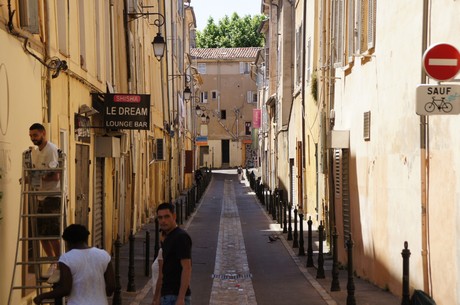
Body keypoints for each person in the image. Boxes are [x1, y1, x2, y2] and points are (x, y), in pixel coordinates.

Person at [33, 224, 115, 305]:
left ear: (69, 242)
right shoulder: (104, 255)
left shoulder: (66, 259)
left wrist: (42, 296)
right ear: (86, 239)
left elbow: (65, 289)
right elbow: (111, 286)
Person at [28, 123, 61, 277]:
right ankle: (53, 262)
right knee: (41, 234)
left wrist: (38, 177)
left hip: (53, 196)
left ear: (43, 133)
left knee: (52, 233)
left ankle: (60, 263)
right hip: (41, 196)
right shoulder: (35, 153)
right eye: (31, 136)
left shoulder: (52, 150)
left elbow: (55, 176)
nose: (33, 138)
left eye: (35, 135)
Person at [156, 203, 192, 305]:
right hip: (166, 295)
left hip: (175, 296)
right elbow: (164, 271)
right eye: (160, 217)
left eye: (167, 216)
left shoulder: (181, 237)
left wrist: (181, 298)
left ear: (174, 216)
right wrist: (158, 297)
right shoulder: (167, 238)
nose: (163, 220)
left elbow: (187, 268)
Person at [151, 231, 165, 305]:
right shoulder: (164, 251)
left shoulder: (162, 251)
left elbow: (161, 276)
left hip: (161, 294)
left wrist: (156, 298)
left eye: (162, 234)